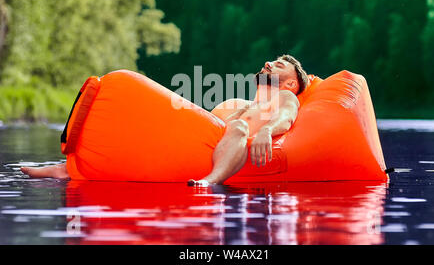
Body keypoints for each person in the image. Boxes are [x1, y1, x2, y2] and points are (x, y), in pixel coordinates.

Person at [21, 54, 309, 186]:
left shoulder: (284, 99)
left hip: (227, 155)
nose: (269, 63)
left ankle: (211, 181)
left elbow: (286, 118)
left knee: (240, 126)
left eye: (280, 65)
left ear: (290, 84)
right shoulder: (240, 104)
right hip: (200, 147)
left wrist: (266, 131)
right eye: (272, 60)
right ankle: (69, 168)